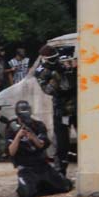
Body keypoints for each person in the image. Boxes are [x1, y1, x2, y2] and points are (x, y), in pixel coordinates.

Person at [8, 100, 70, 197]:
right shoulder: (11, 127)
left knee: (65, 187)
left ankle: (43, 184)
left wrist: (33, 137)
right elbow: (11, 152)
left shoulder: (38, 125)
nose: (24, 119)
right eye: (21, 116)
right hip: (26, 168)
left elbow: (42, 145)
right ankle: (36, 185)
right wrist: (18, 137)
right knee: (27, 193)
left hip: (42, 165)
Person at [36, 44, 78, 176]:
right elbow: (48, 90)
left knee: (87, 140)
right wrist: (56, 76)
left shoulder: (65, 62)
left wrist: (72, 69)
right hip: (62, 110)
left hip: (78, 109)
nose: (54, 61)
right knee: (61, 144)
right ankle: (60, 173)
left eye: (55, 58)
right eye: (51, 59)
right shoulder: (42, 71)